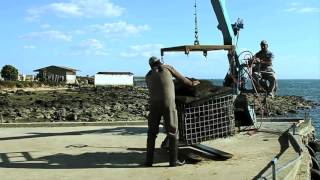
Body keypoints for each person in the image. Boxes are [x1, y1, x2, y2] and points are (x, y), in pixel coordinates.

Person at [145, 56, 200, 167]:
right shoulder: (168, 68)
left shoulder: (148, 75)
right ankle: (173, 161)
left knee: (152, 132)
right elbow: (185, 81)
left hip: (154, 105)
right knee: (172, 131)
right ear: (160, 62)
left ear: (151, 65)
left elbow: (154, 87)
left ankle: (148, 161)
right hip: (168, 104)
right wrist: (193, 83)